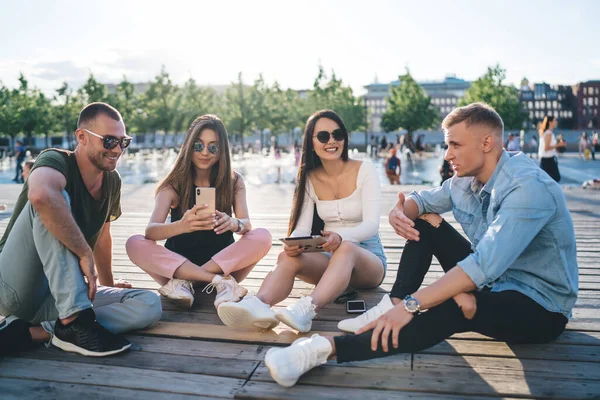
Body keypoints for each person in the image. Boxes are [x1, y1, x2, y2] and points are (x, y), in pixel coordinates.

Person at [262, 102, 578, 388]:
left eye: (455, 145)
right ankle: (392, 303)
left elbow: (481, 267)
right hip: (496, 282)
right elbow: (420, 200)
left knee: (461, 303)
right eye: (446, 145)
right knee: (426, 221)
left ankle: (323, 349)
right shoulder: (465, 180)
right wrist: (401, 211)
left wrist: (415, 304)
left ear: (486, 143)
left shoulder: (528, 189)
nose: (447, 154)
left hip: (539, 307)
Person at [0, 102, 162, 357]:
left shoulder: (112, 181)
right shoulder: (56, 160)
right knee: (51, 200)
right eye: (109, 141)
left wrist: (108, 285)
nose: (118, 150)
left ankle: (37, 332)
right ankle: (74, 319)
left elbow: (103, 239)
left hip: (59, 296)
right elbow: (41, 195)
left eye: (124, 142)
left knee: (149, 303)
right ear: (82, 137)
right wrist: (83, 253)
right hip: (14, 286)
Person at [217, 110, 386, 333]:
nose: (332, 141)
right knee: (288, 257)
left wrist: (341, 237)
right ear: (312, 141)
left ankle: (306, 311)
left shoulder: (365, 169)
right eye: (323, 136)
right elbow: (303, 228)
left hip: (368, 262)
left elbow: (372, 224)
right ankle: (258, 305)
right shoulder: (309, 177)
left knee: (346, 248)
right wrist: (295, 243)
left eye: (337, 134)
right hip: (330, 262)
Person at [126, 115, 272, 310]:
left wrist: (234, 223)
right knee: (134, 243)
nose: (205, 152)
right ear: (188, 146)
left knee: (263, 236)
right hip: (181, 269)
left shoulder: (234, 181)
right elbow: (151, 232)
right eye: (198, 146)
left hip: (219, 268)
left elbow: (247, 225)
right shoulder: (173, 184)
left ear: (222, 151)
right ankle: (217, 282)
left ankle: (193, 280)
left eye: (213, 147)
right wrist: (182, 226)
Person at [538, 115, 565, 182]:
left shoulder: (547, 133)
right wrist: (559, 144)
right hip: (547, 160)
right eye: (554, 120)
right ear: (550, 122)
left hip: (547, 159)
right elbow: (546, 148)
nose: (556, 122)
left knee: (548, 180)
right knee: (554, 178)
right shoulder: (548, 133)